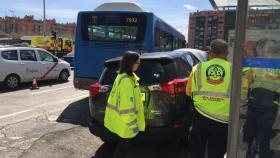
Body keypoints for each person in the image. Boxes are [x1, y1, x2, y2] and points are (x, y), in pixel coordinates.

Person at [186, 39, 231, 158]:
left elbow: (188, 92)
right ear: (226, 54)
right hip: (223, 120)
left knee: (196, 152)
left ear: (210, 53)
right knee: (216, 153)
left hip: (200, 117)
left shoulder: (197, 68)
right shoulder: (234, 70)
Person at [102, 51, 145, 158]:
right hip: (126, 123)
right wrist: (133, 125)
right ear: (131, 63)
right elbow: (127, 107)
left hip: (120, 121)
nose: (139, 65)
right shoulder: (126, 81)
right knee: (122, 149)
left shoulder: (123, 76)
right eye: (138, 62)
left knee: (117, 146)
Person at [242, 37, 280, 158]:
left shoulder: (257, 63)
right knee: (260, 136)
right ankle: (258, 153)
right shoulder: (271, 64)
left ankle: (254, 154)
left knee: (255, 136)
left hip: (260, 103)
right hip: (267, 105)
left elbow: (246, 80)